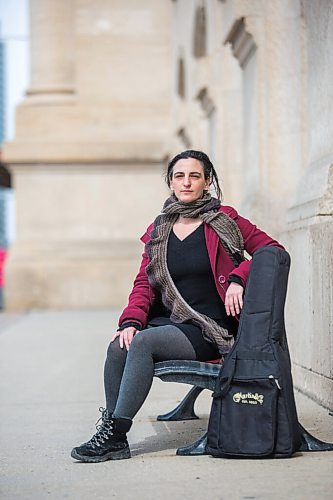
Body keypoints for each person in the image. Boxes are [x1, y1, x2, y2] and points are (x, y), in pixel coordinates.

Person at [71, 150, 283, 463]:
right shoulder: (160, 230)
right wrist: (130, 321)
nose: (186, 182)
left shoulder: (226, 220)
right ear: (171, 182)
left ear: (207, 181)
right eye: (179, 176)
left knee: (143, 343)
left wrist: (239, 277)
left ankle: (114, 433)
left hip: (211, 327)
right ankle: (114, 436)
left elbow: (272, 250)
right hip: (173, 322)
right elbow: (144, 284)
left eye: (194, 176)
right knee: (121, 344)